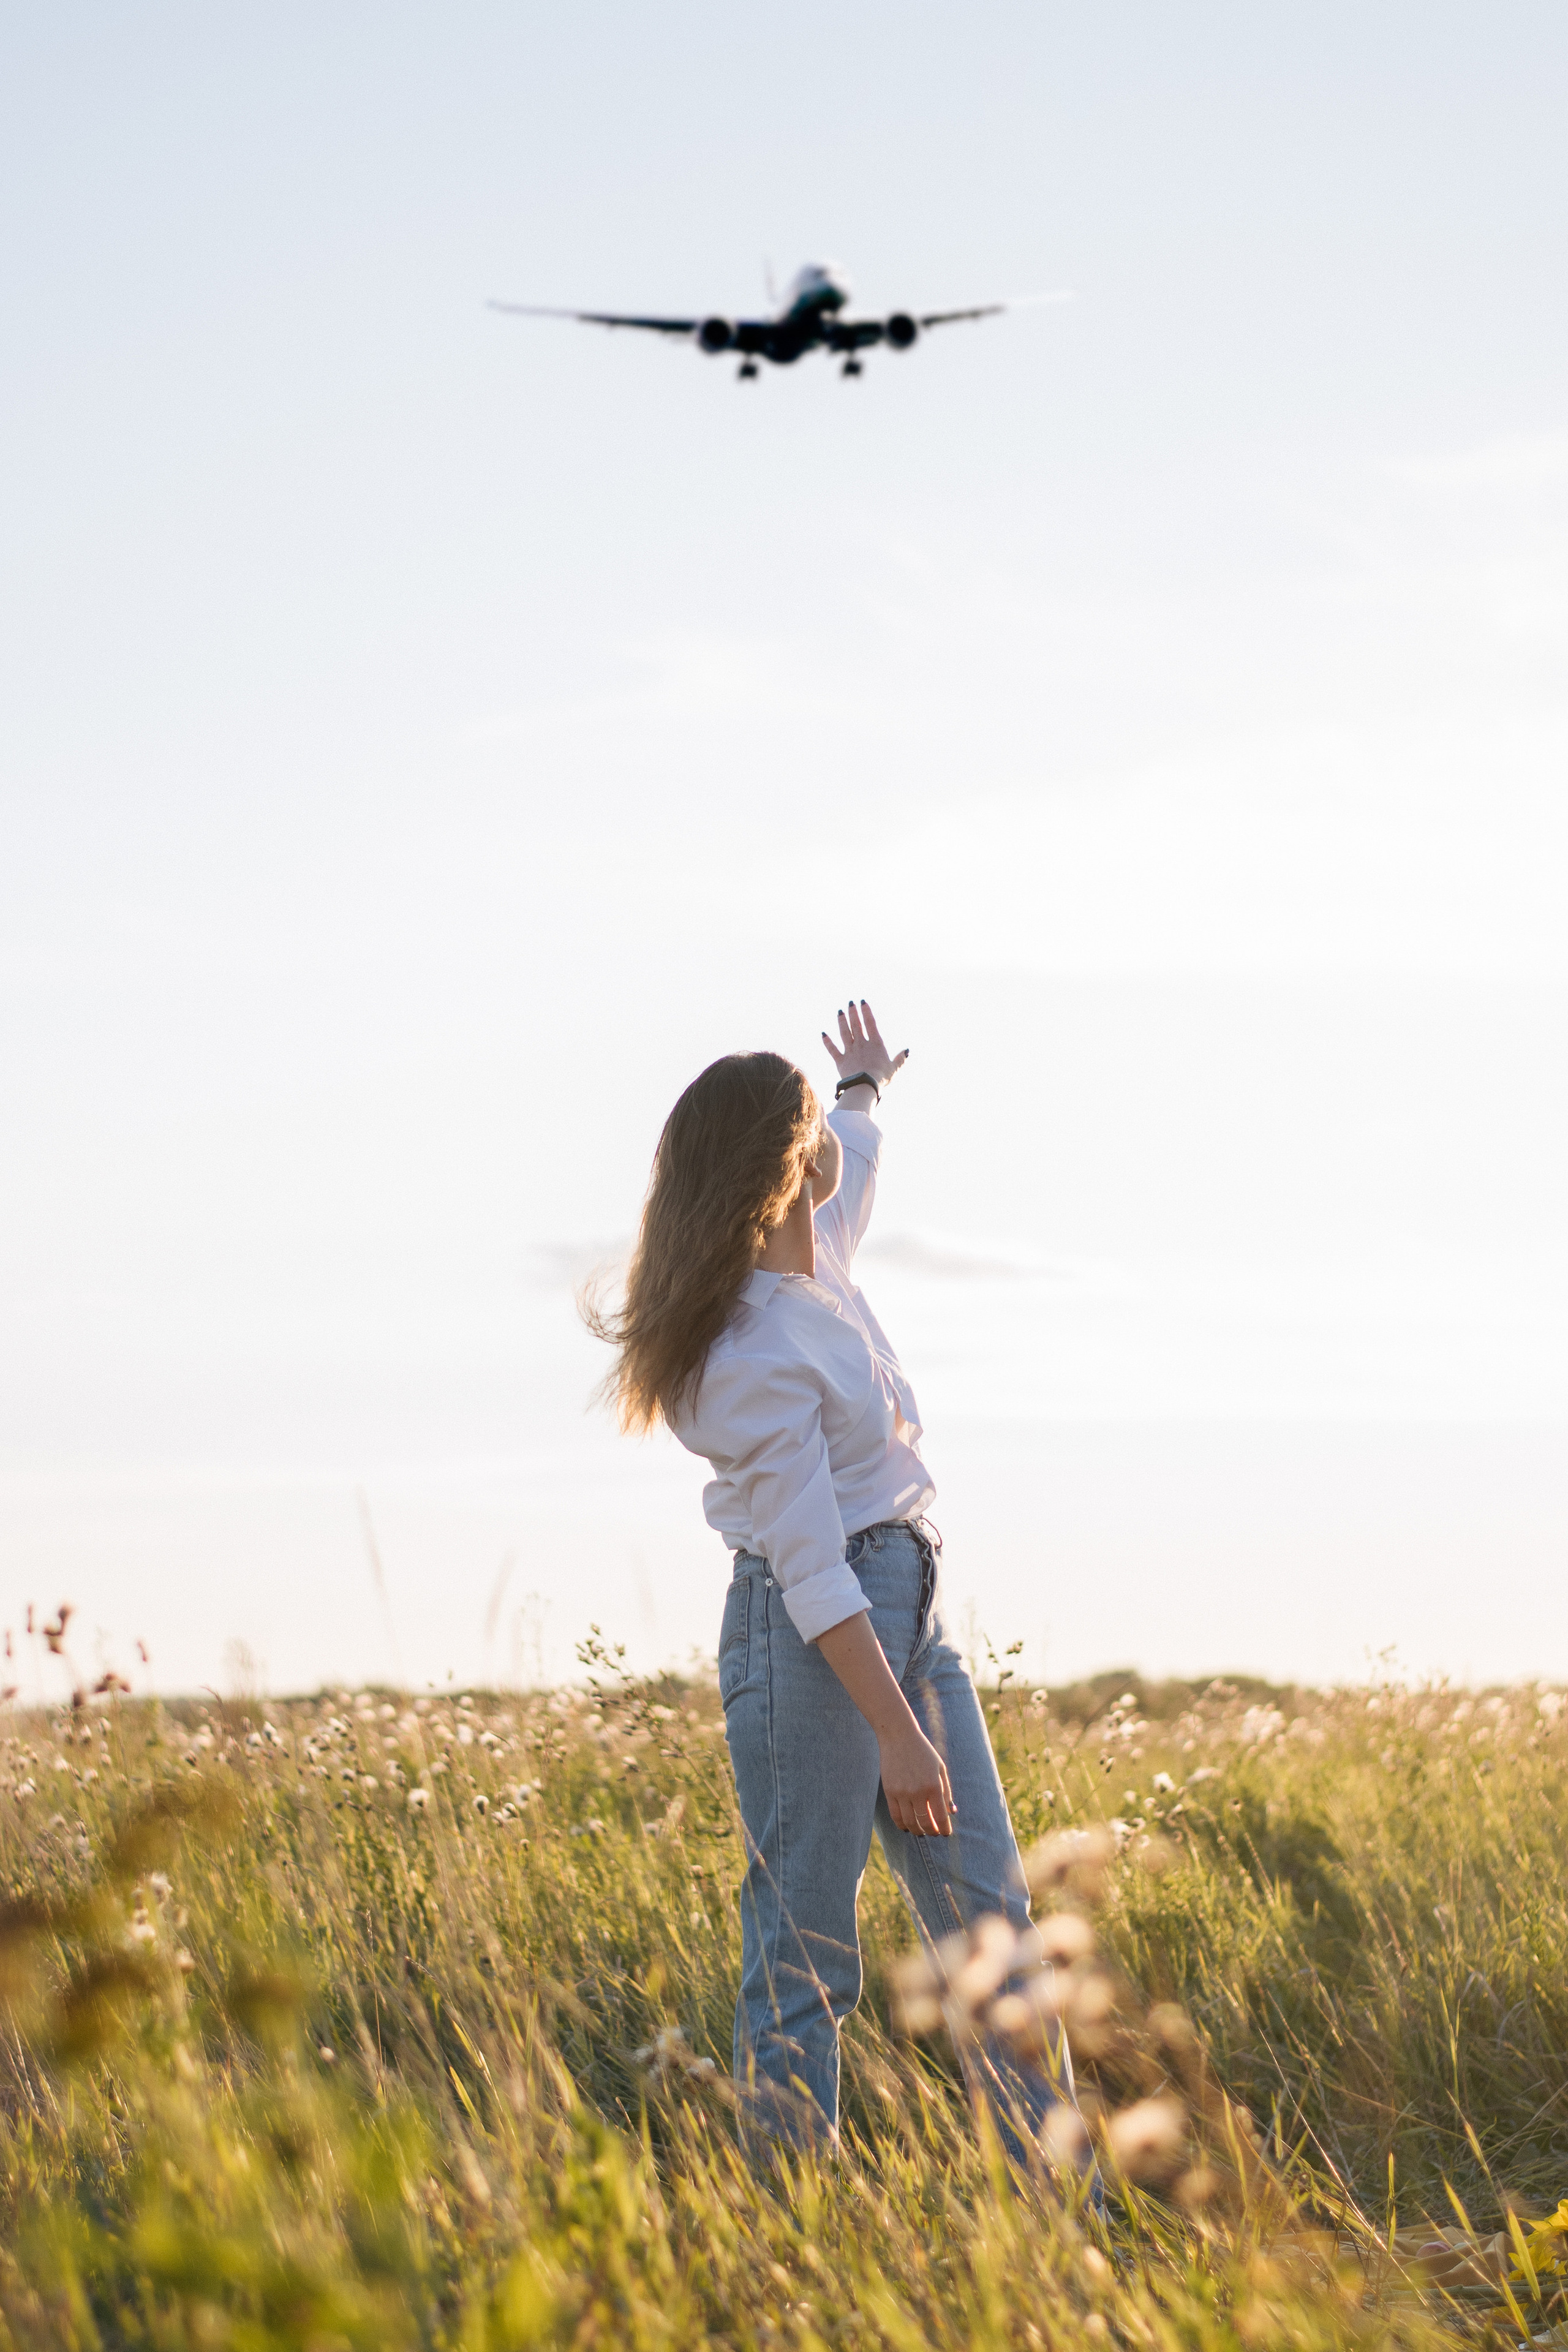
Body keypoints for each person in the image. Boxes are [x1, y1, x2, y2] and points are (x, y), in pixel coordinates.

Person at [588, 1001, 1077, 2158]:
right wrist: (900, 1736)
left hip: (903, 1616)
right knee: (807, 1960)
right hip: (816, 1646)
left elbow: (852, 1178)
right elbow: (809, 1572)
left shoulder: (817, 1260)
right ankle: (784, 2242)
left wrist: (859, 1091)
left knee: (991, 1933)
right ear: (779, 1167)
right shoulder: (747, 1355)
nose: (830, 1156)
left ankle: (1072, 2238)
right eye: (814, 1131)